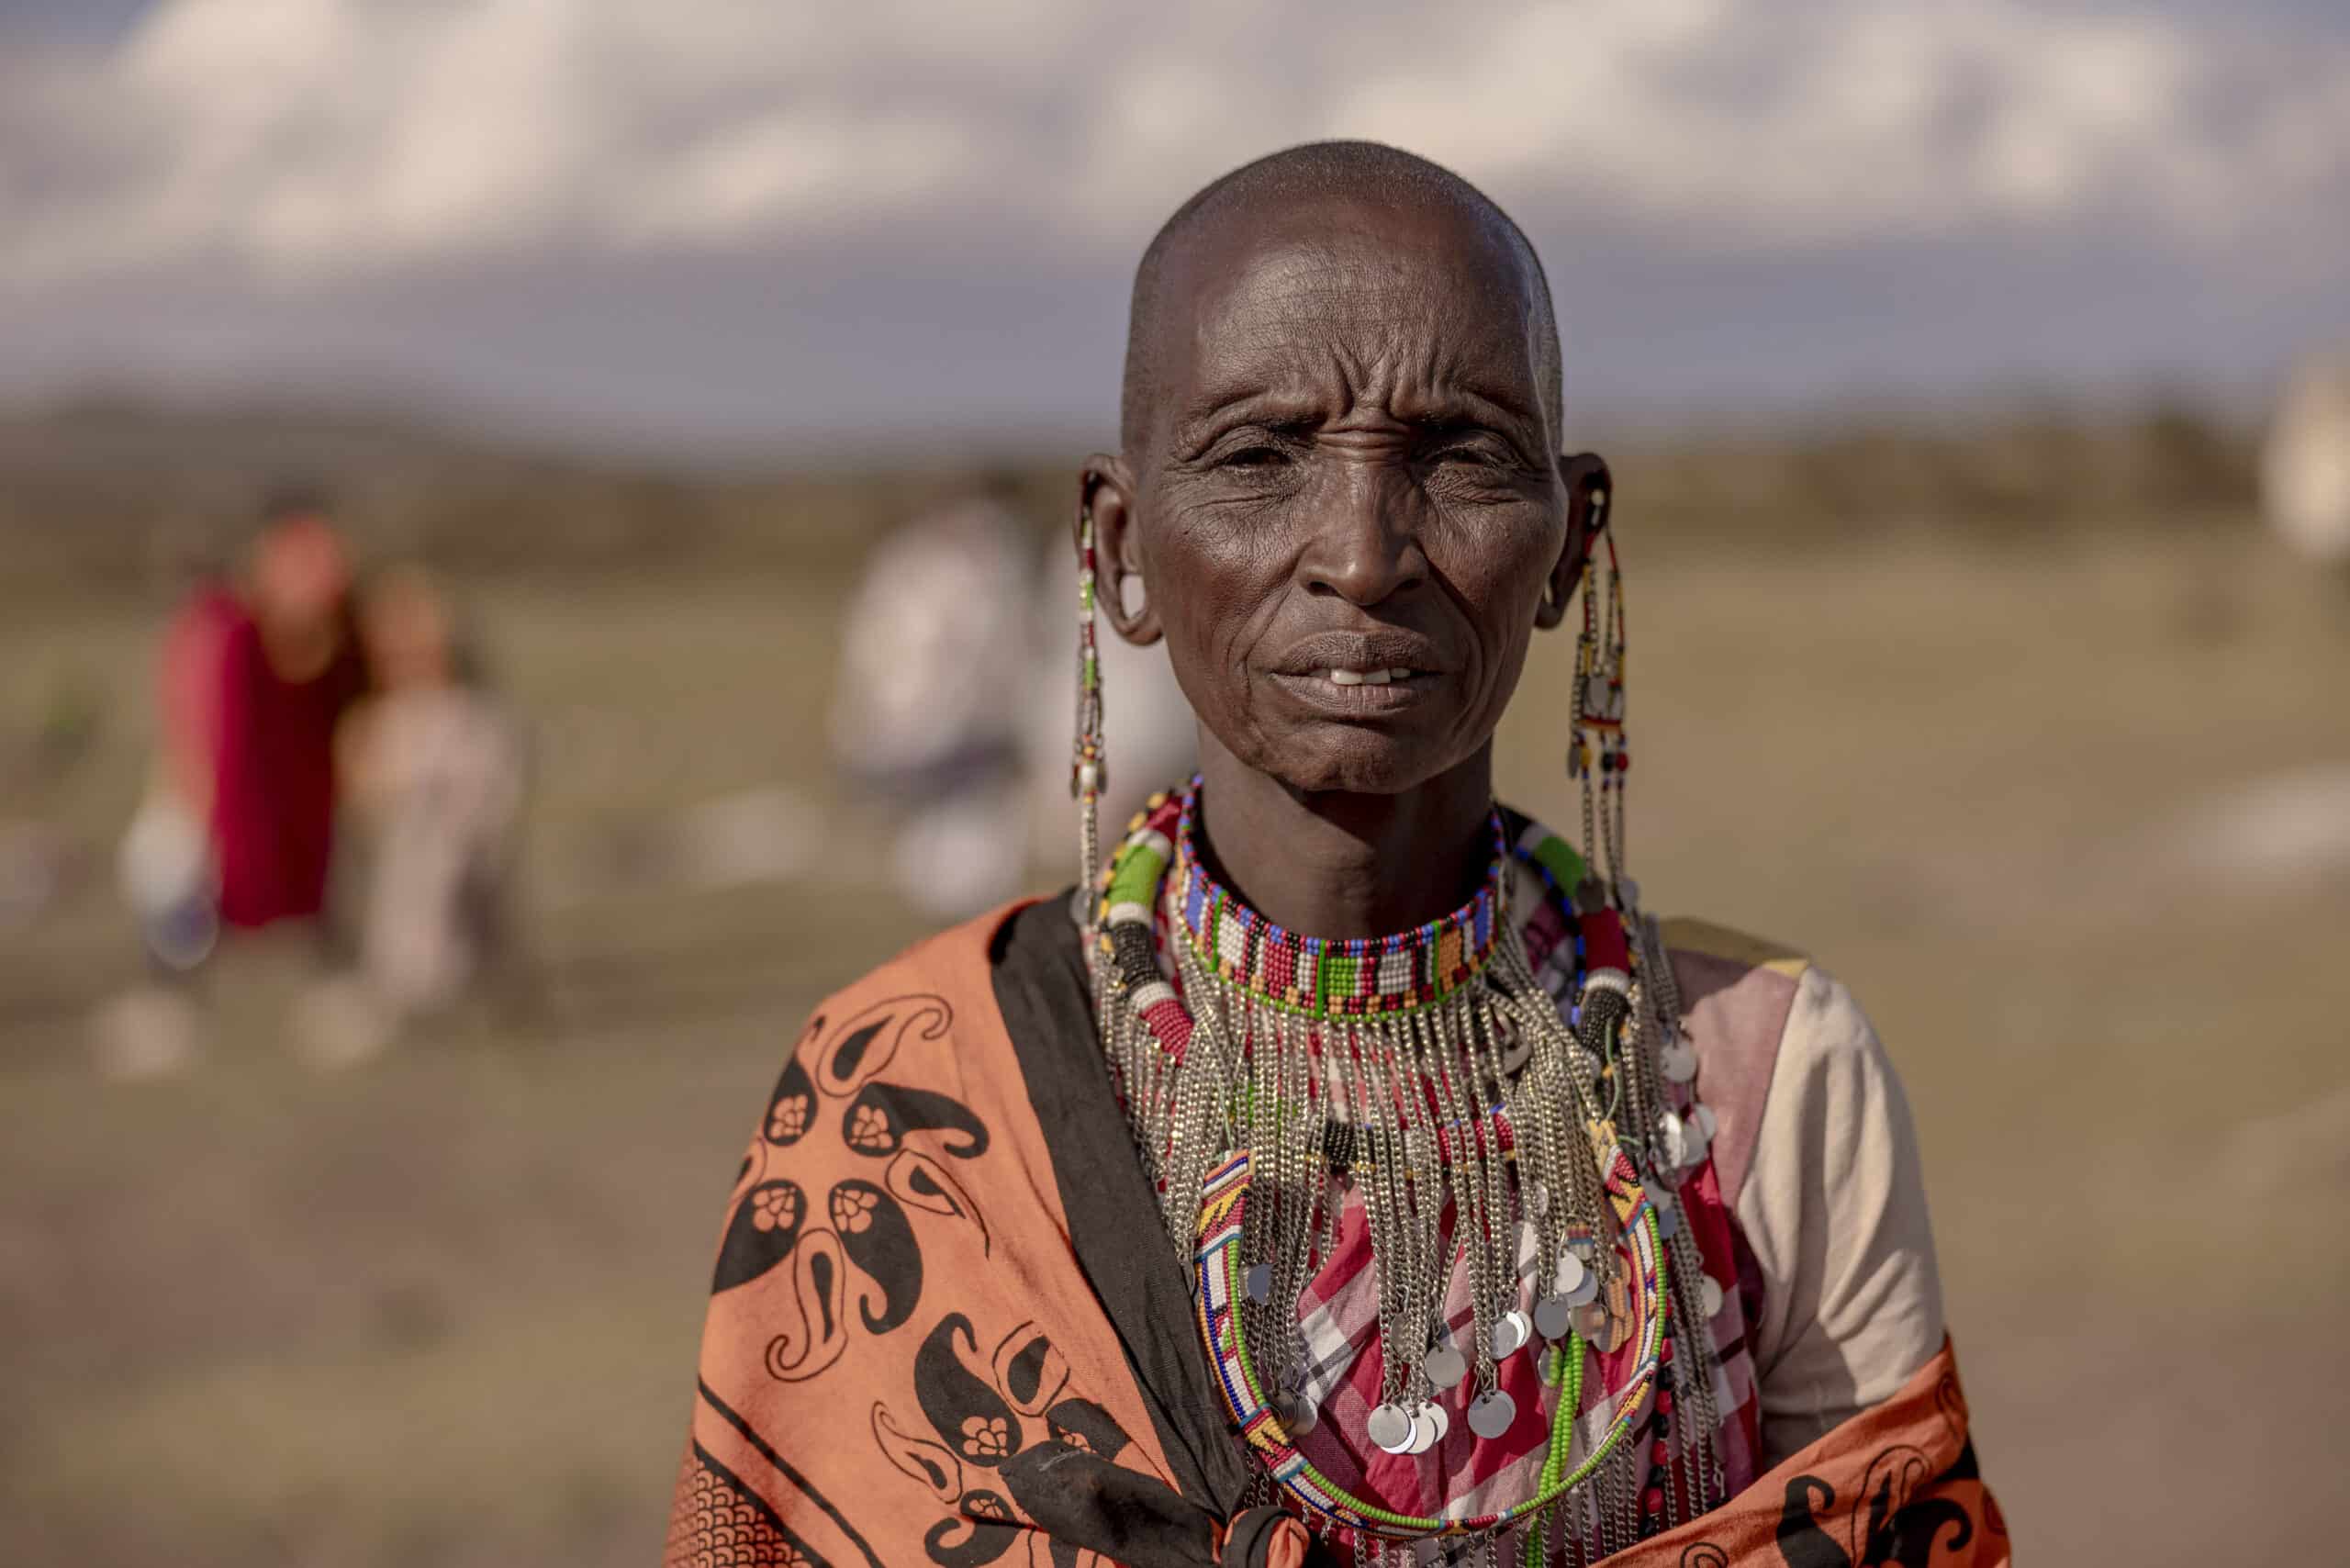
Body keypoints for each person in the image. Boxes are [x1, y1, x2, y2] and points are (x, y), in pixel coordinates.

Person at [666, 144, 2006, 1568]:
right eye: (1259, 458)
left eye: (1461, 456)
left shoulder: (1768, 1086)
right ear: (1122, 550)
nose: (1363, 554)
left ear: (1567, 546)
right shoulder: (906, 1089)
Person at [99, 493, 366, 1076]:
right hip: (221, 793)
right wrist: (189, 784)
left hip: (304, 798)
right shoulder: (222, 627)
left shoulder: (345, 634)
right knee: (168, 872)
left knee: (328, 881)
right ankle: (173, 1002)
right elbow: (192, 711)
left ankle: (341, 983)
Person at [297, 564, 527, 1061]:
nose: (405, 649)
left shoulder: (477, 723)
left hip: (456, 910)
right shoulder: (373, 725)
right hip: (384, 913)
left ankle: (429, 982)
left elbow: (489, 826)